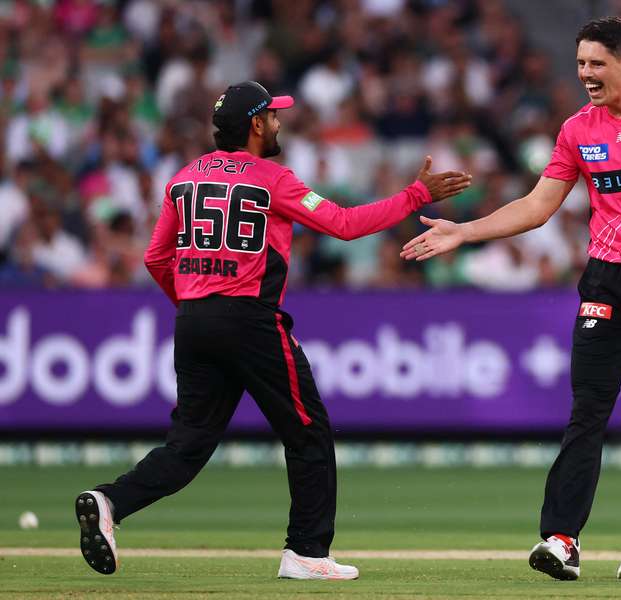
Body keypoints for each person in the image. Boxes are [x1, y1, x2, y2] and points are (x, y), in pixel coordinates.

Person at [75, 81, 471, 580]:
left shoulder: (183, 178)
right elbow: (344, 225)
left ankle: (109, 502)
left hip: (193, 321)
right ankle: (305, 552)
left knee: (188, 445)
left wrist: (197, 303)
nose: (281, 123)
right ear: (257, 124)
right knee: (309, 432)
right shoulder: (273, 179)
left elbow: (157, 257)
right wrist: (416, 195)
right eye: (274, 116)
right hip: (250, 322)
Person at [402, 18, 621, 580]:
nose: (585, 73)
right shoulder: (577, 130)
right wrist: (465, 232)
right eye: (581, 63)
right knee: (587, 411)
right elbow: (538, 206)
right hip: (607, 284)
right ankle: (561, 539)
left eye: (596, 63)